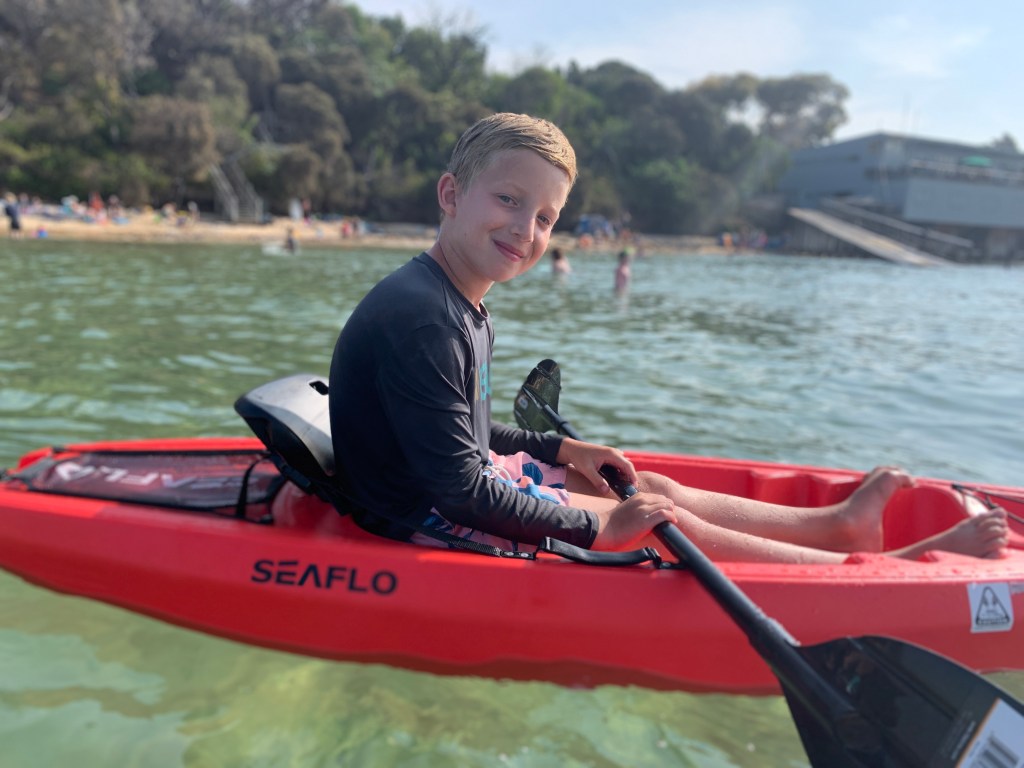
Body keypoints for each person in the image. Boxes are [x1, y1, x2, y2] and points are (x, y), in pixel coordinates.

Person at [328, 112, 1009, 564]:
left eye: (545, 217)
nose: (525, 230)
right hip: (426, 517)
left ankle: (835, 528)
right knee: (656, 521)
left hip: (451, 487)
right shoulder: (425, 318)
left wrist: (561, 449)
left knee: (641, 483)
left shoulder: (456, 300)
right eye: (508, 200)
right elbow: (458, 491)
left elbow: (464, 434)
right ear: (451, 195)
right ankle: (870, 570)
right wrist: (602, 527)